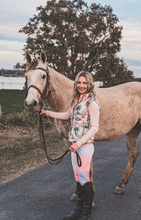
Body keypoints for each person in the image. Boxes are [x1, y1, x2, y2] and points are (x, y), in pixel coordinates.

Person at [39, 71, 100, 220]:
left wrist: (79, 143)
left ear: (90, 84)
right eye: (79, 82)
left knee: (85, 178)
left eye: (84, 83)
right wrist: (47, 113)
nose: (81, 85)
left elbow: (94, 127)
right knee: (78, 177)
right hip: (74, 146)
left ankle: (87, 213)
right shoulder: (76, 100)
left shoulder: (92, 103)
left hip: (84, 146)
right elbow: (67, 115)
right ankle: (79, 210)